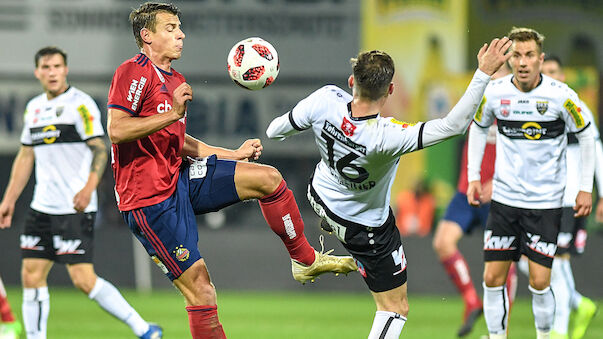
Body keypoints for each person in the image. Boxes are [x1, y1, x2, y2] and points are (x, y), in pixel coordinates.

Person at [106, 3, 356, 338]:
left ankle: (305, 260)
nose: (181, 34)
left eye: (180, 27)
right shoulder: (133, 72)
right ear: (146, 36)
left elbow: (179, 142)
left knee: (269, 180)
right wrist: (173, 113)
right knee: (202, 291)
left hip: (178, 178)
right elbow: (117, 129)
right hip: (149, 201)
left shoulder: (175, 79)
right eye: (170, 28)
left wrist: (232, 154)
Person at [266, 37, 512, 338]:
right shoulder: (389, 136)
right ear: (391, 90)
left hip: (318, 194)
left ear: (350, 81)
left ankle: (329, 228)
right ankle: (341, 236)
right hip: (365, 228)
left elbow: (275, 131)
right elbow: (454, 126)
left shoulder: (325, 99)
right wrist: (483, 73)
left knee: (339, 205)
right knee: (395, 308)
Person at [0, 46, 162, 339]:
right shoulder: (34, 108)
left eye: (57, 66)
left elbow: (100, 148)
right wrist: (9, 200)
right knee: (31, 276)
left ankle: (143, 328)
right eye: (46, 67)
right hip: (41, 207)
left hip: (74, 207)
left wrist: (88, 189)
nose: (52, 72)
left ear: (66, 70)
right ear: (37, 72)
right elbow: (25, 156)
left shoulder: (81, 105)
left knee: (83, 279)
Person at [467, 27, 595, 339]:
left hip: (545, 204)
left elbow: (587, 134)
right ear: (508, 59)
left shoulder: (561, 96)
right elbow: (478, 127)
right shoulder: (495, 94)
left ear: (539, 59)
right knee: (492, 277)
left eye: (528, 55)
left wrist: (585, 187)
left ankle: (544, 335)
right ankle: (497, 337)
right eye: (516, 55)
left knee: (539, 281)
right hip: (505, 201)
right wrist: (474, 176)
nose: (522, 62)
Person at [432, 63, 518, 338]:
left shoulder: (515, 112)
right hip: (466, 191)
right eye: (489, 80)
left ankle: (500, 330)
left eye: (498, 81)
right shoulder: (474, 104)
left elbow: (523, 154)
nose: (492, 86)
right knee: (442, 242)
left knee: (505, 263)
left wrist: (500, 181)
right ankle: (471, 299)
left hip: (499, 194)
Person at [539, 55, 599, 339]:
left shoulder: (576, 107)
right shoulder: (537, 110)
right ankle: (578, 303)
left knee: (556, 262)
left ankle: (559, 330)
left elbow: (595, 150)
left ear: (562, 77)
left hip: (568, 200)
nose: (549, 77)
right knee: (532, 260)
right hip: (542, 199)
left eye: (553, 72)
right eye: (544, 72)